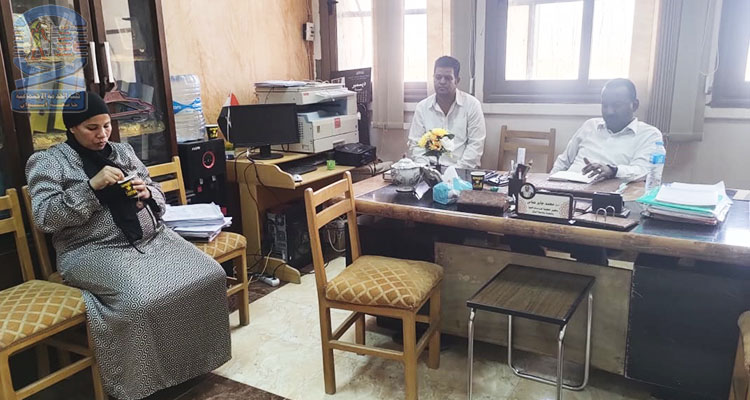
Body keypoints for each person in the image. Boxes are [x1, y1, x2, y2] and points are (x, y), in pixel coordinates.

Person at [25, 92, 231, 400]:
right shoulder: (48, 162)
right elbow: (45, 217)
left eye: (107, 125)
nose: (102, 134)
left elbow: (156, 191)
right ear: (72, 128)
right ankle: (143, 385)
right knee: (138, 302)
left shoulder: (122, 151)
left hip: (151, 239)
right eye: (92, 128)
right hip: (91, 250)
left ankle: (192, 365)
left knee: (210, 275)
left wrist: (147, 192)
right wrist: (91, 187)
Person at [551, 78, 665, 182]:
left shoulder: (649, 135)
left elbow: (644, 172)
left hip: (606, 195)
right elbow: (563, 162)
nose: (609, 111)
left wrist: (613, 171)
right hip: (567, 190)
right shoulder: (590, 126)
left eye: (617, 105)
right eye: (605, 105)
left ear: (634, 105)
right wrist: (548, 186)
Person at [408, 56, 486, 169]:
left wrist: (454, 172)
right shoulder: (422, 107)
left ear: (457, 81)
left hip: (461, 171)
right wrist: (426, 169)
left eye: (448, 78)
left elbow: (475, 146)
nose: (442, 82)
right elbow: (416, 144)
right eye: (438, 77)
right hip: (429, 170)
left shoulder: (472, 105)